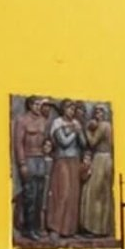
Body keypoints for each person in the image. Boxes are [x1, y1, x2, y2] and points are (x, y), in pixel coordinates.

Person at [46, 99, 85, 240]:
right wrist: (75, 131)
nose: (71, 112)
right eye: (69, 108)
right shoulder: (57, 123)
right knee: (63, 192)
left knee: (73, 194)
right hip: (62, 160)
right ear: (63, 109)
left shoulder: (76, 123)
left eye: (73, 109)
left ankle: (69, 229)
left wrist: (80, 132)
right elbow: (63, 142)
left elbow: (84, 143)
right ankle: (55, 227)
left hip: (74, 160)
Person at [12, 96, 48, 240]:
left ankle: (37, 227)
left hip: (41, 159)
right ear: (30, 105)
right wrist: (22, 163)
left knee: (40, 196)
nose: (39, 107)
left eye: (40, 104)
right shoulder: (22, 120)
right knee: (30, 196)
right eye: (36, 104)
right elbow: (18, 143)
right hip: (29, 158)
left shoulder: (43, 121)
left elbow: (46, 140)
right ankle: (29, 228)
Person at [79, 104, 114, 237]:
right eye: (96, 112)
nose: (97, 115)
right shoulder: (110, 126)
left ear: (104, 114)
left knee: (94, 194)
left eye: (99, 112)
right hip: (108, 158)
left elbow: (92, 142)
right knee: (104, 194)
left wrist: (87, 130)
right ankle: (104, 227)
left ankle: (96, 228)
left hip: (100, 159)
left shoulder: (103, 125)